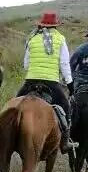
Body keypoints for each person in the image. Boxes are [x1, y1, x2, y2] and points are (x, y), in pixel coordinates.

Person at [16, 11, 73, 150]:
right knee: (66, 107)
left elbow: (26, 65)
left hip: (30, 81)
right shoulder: (60, 39)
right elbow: (64, 64)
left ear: (41, 25)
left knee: (14, 106)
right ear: (56, 26)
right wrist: (70, 84)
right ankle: (65, 142)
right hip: (51, 82)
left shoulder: (32, 38)